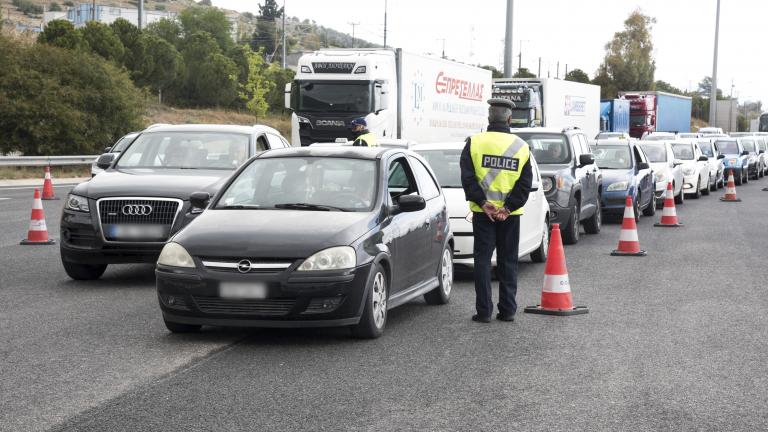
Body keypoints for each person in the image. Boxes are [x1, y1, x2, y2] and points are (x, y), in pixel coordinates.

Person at [460, 98, 533, 323]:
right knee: (508, 261)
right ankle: (508, 310)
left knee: (482, 262)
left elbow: (468, 178)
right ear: (510, 119)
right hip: (510, 216)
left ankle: (484, 312)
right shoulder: (522, 146)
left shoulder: (474, 142)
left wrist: (483, 203)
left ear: (489, 118)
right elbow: (525, 183)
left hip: (483, 214)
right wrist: (508, 208)